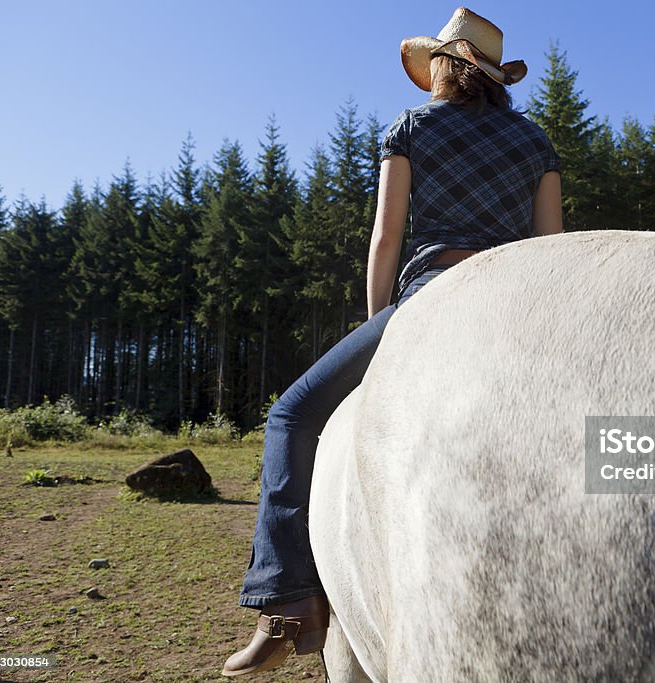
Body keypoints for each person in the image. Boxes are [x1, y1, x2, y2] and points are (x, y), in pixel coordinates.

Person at [222, 7, 562, 677]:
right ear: (490, 74)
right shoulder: (536, 141)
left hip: (432, 293)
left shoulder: (411, 129)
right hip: (526, 299)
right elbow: (553, 249)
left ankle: (285, 604)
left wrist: (384, 327)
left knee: (291, 411)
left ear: (447, 66)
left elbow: (386, 238)